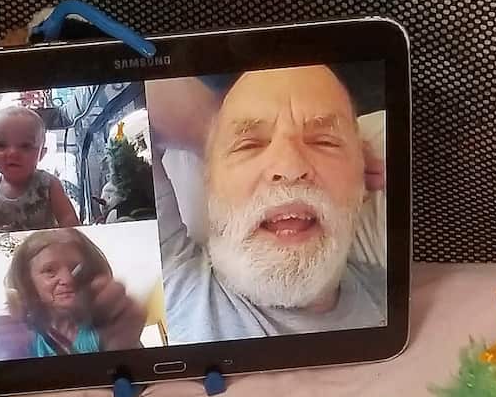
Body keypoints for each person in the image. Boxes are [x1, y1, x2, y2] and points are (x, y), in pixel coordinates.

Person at [149, 65, 388, 343]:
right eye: (249, 145)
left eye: (325, 142)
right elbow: (138, 90)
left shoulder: (402, 299)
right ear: (209, 184)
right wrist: (211, 132)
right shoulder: (175, 278)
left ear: (363, 182)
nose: (289, 167)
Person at [0, 227, 147, 359]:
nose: (67, 279)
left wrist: (125, 347)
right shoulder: (15, 336)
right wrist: (5, 364)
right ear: (28, 282)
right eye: (49, 271)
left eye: (77, 269)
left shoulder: (106, 327)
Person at [0, 104, 80, 234]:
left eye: (25, 146)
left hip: (44, 249)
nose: (13, 153)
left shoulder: (48, 184)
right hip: (6, 250)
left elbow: (69, 220)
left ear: (42, 154)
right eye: (1, 145)